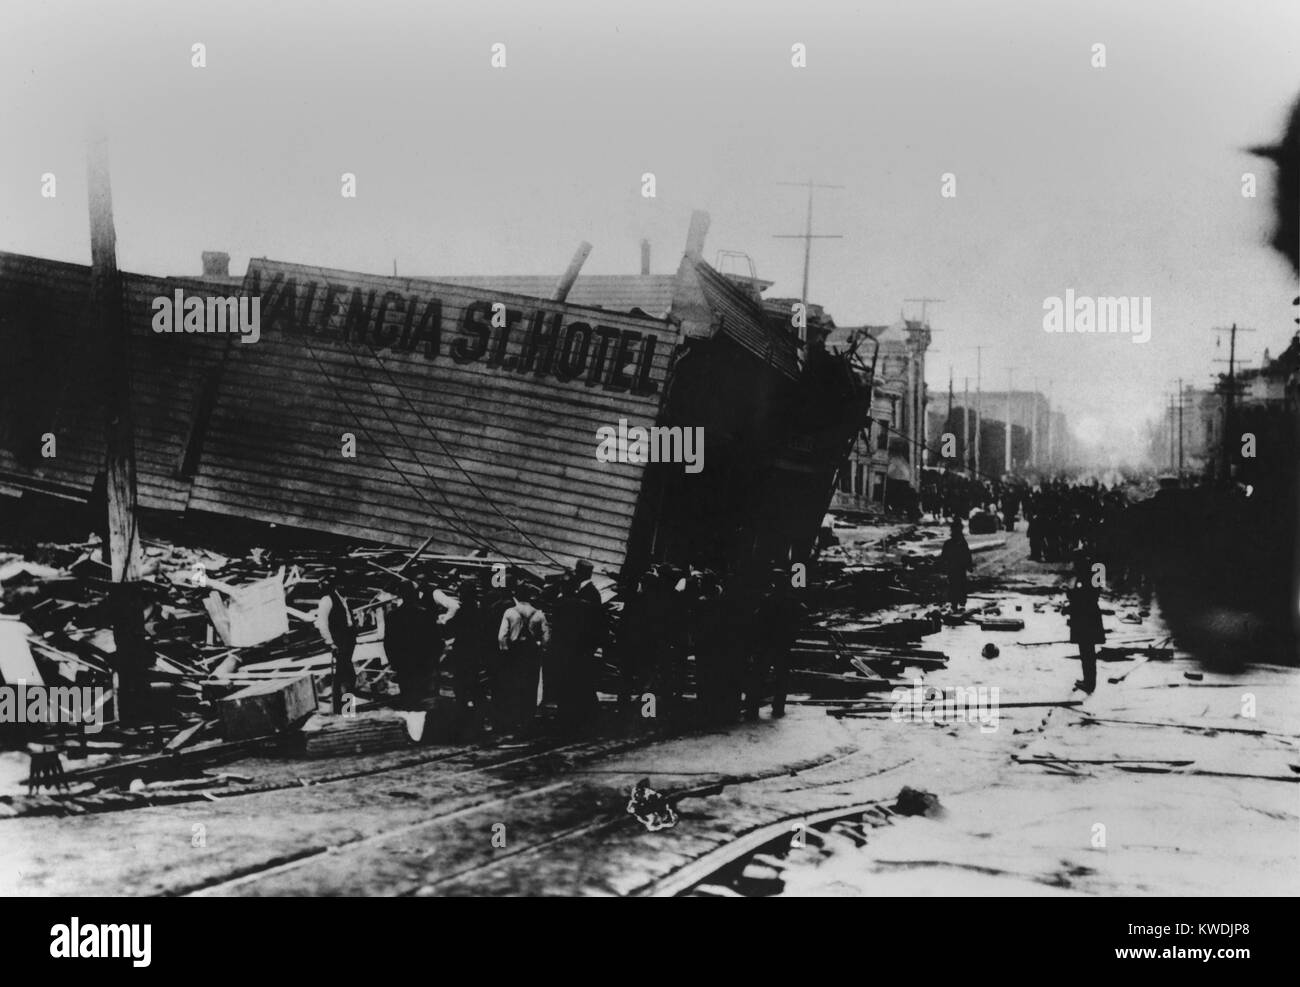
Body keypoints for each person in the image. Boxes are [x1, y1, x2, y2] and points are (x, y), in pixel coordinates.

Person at [552, 560, 605, 736]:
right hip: (579, 648)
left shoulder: (587, 594)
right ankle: (583, 719)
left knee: (578, 684)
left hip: (579, 648)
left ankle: (581, 721)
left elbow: (591, 624)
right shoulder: (587, 593)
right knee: (579, 684)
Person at [496, 584, 550, 739]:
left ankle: (515, 721)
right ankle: (528, 721)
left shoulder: (510, 612)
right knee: (530, 687)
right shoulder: (538, 614)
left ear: (516, 596)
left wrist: (505, 651)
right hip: (531, 654)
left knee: (514, 686)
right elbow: (546, 637)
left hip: (514, 654)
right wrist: (541, 649)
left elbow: (501, 636)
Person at [445, 579, 489, 736]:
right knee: (477, 689)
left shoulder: (462, 612)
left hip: (462, 655)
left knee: (461, 690)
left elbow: (449, 629)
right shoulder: (480, 611)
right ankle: (479, 722)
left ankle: (464, 724)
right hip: (476, 655)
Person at [383, 580, 435, 708]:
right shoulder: (424, 614)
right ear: (414, 594)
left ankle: (410, 720)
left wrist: (393, 662)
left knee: (407, 697)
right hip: (421, 663)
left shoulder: (392, 616)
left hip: (403, 663)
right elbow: (434, 640)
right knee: (422, 698)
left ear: (400, 595)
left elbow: (388, 643)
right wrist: (432, 661)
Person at [316, 573, 357, 714]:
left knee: (343, 675)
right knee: (347, 676)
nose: (347, 587)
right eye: (343, 584)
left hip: (348, 641)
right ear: (337, 585)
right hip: (340, 643)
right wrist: (330, 643)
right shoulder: (327, 600)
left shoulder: (343, 599)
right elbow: (322, 623)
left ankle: (341, 709)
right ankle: (347, 710)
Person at [1066, 553, 1106, 693]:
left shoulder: (1085, 576)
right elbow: (1094, 593)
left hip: (1085, 618)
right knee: (1087, 651)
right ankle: (1088, 681)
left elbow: (1084, 598)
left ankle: (1089, 683)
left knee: (1087, 652)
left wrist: (1070, 597)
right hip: (1089, 616)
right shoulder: (1093, 573)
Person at [939, 519, 974, 610]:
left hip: (955, 568)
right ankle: (958, 603)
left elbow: (944, 557)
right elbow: (967, 555)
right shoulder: (957, 543)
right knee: (958, 585)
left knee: (955, 586)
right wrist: (969, 566)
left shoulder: (952, 543)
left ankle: (957, 603)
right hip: (956, 568)